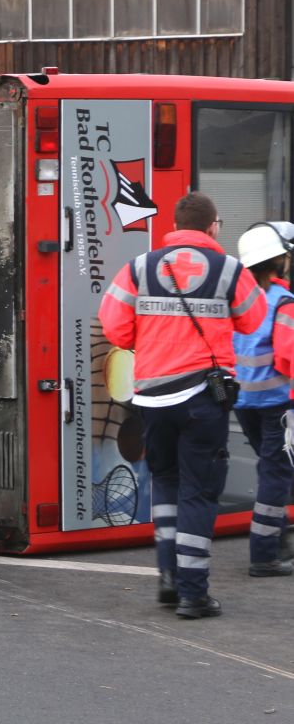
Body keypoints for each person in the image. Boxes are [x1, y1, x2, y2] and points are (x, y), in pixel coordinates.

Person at [99, 192, 265, 618]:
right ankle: (193, 594)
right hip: (203, 398)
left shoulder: (139, 268)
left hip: (152, 397)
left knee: (166, 483)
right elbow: (253, 320)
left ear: (174, 226)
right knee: (199, 491)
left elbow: (114, 327)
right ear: (213, 227)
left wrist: (149, 339)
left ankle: (170, 579)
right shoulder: (229, 270)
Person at [231, 222, 294, 576]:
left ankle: (278, 535)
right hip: (278, 405)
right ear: (278, 262)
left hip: (244, 404)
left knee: (271, 468)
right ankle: (265, 555)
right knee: (276, 473)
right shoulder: (284, 303)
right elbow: (288, 355)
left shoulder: (239, 300)